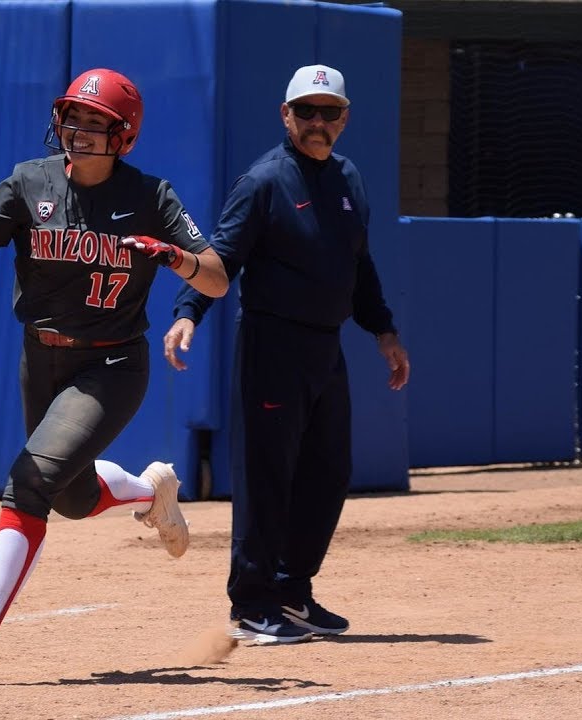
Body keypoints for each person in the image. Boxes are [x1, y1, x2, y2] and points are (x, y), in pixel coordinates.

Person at [0, 68, 229, 679]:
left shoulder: (150, 195)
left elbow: (215, 276)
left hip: (111, 363)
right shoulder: (30, 181)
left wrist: (174, 256)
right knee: (73, 498)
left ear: (125, 136)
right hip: (43, 358)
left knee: (29, 481)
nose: (79, 131)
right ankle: (149, 489)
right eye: (73, 118)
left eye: (96, 123)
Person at [163, 65, 410, 645]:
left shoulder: (348, 178)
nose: (318, 122)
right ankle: (250, 605)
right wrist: (186, 313)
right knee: (267, 476)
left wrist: (384, 332)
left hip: (326, 347)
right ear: (286, 115)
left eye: (329, 112)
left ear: (345, 118)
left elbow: (359, 265)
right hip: (272, 345)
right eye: (307, 112)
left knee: (328, 473)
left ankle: (292, 590)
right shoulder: (265, 181)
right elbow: (220, 257)